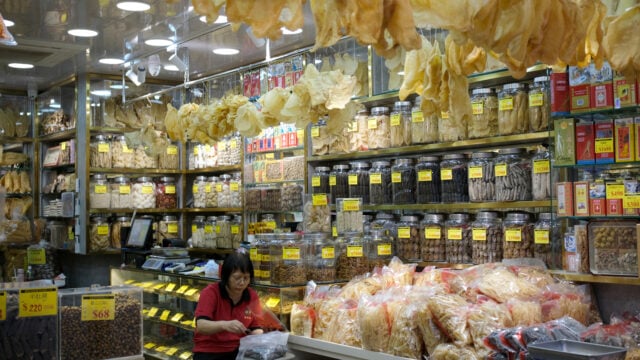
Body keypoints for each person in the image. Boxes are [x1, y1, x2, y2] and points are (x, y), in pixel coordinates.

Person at [193, 251, 264, 360]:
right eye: (237, 278)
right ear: (226, 276)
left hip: (239, 350)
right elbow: (201, 325)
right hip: (209, 351)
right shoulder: (211, 293)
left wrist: (261, 337)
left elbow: (255, 327)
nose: (242, 283)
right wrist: (224, 325)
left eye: (246, 278)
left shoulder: (252, 296)